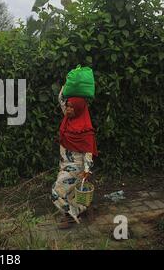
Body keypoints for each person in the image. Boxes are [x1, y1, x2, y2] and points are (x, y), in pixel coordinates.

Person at [52, 85, 98, 229]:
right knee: (69, 191)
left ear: (78, 109)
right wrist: (67, 84)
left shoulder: (86, 130)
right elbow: (61, 99)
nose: (68, 109)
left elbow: (88, 153)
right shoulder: (68, 118)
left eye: (71, 107)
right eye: (68, 106)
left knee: (57, 190)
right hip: (64, 164)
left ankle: (70, 216)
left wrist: (86, 170)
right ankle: (79, 210)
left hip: (76, 167)